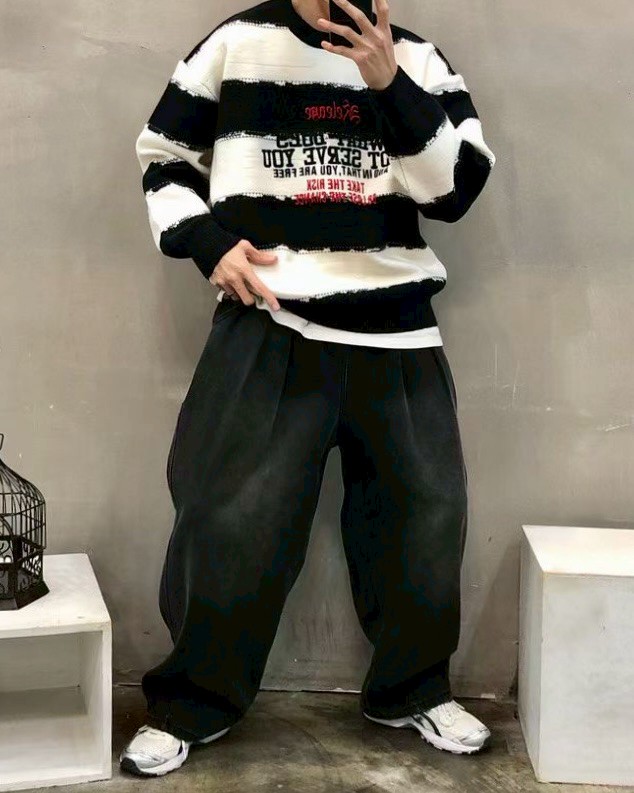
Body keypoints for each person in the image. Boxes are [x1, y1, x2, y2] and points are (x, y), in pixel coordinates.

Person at [121, 0, 496, 777]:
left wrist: (389, 83)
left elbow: (457, 190)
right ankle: (191, 702)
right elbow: (163, 154)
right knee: (227, 519)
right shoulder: (237, 44)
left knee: (424, 520)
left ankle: (412, 689)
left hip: (396, 330)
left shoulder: (419, 59)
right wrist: (207, 243)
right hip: (269, 319)